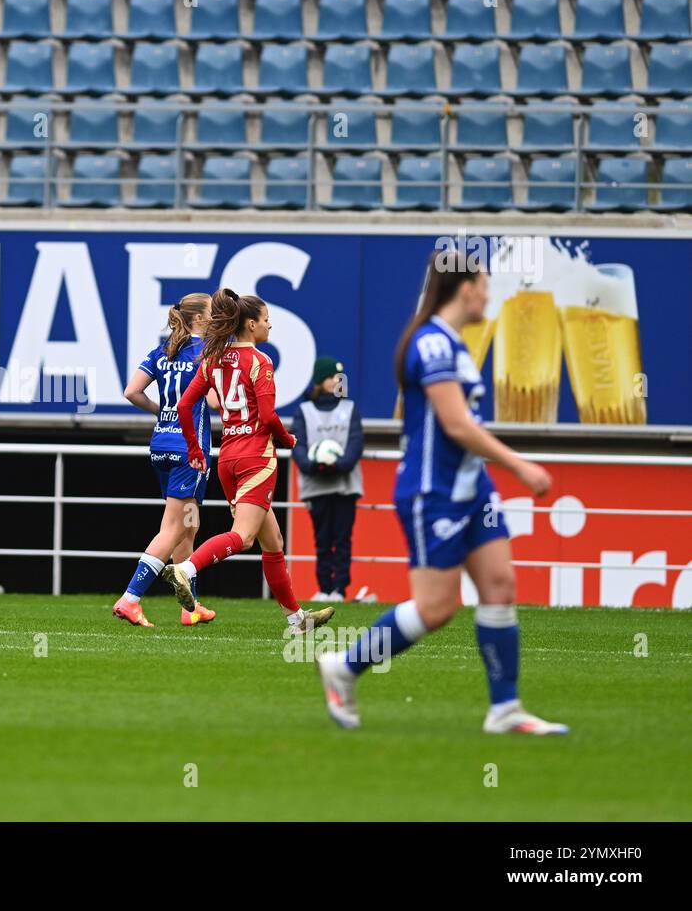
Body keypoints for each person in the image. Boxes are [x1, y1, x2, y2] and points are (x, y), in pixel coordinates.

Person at [317, 252, 568, 735]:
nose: (489, 294)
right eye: (484, 284)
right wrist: (519, 465)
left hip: (473, 489)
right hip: (433, 493)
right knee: (436, 608)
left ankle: (505, 709)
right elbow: (455, 423)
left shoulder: (449, 342)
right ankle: (344, 667)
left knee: (500, 585)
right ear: (467, 288)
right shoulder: (431, 342)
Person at [159, 288, 335, 635]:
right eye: (267, 320)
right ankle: (186, 570)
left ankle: (297, 620)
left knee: (272, 544)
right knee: (242, 536)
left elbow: (183, 406)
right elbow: (268, 416)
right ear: (251, 324)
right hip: (257, 458)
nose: (271, 326)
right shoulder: (260, 361)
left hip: (228, 458)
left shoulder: (213, 359)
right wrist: (286, 440)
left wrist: (195, 450)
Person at [114, 292, 221, 627]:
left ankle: (190, 608)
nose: (218, 316)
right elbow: (216, 403)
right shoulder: (207, 353)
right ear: (201, 319)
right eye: (213, 312)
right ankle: (130, 598)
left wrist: (161, 410)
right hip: (190, 450)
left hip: (161, 444)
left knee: (188, 526)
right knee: (174, 527)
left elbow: (132, 391)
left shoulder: (164, 351)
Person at [291, 355, 366, 603]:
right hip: (316, 486)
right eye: (334, 376)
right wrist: (314, 466)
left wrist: (340, 464)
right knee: (322, 540)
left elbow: (356, 442)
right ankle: (324, 588)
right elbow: (298, 444)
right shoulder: (304, 411)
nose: (338, 381)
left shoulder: (350, 408)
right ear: (321, 380)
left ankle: (340, 589)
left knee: (343, 538)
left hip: (345, 484)